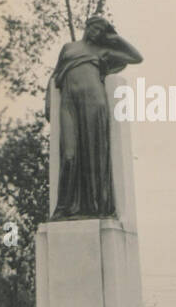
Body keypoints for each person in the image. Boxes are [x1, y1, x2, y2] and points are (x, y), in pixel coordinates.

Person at [45, 16, 143, 219]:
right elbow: (55, 76)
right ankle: (63, 208)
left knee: (94, 154)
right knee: (69, 154)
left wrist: (115, 38)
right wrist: (48, 101)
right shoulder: (69, 48)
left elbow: (136, 57)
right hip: (69, 102)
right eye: (94, 28)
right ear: (87, 27)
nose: (95, 32)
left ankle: (96, 207)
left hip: (94, 102)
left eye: (100, 30)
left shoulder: (102, 51)